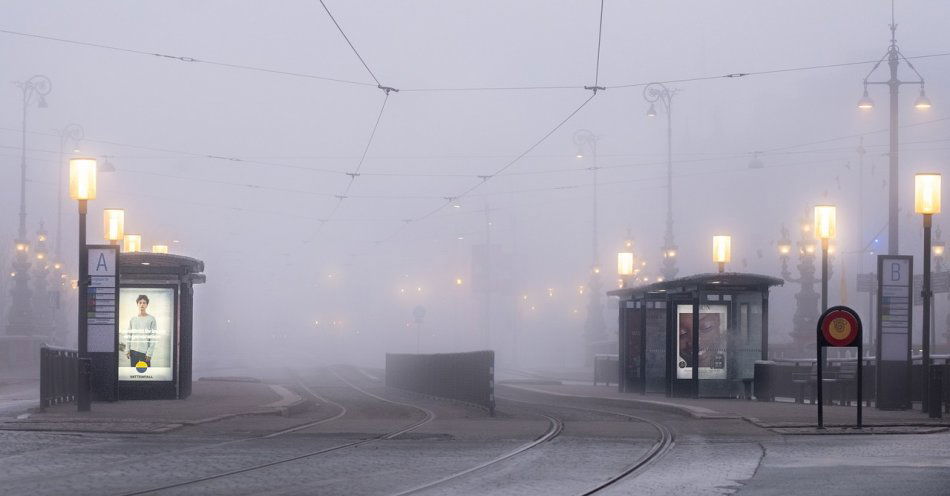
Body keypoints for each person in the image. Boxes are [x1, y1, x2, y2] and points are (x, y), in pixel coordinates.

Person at [124, 294, 157, 367]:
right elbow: (129, 335)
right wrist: (127, 349)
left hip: (145, 353)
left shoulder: (151, 319)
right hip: (133, 352)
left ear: (147, 305)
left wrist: (149, 353)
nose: (142, 304)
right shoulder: (133, 319)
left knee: (146, 375)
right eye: (140, 302)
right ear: (137, 304)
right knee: (133, 374)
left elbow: (153, 337)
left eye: (144, 303)